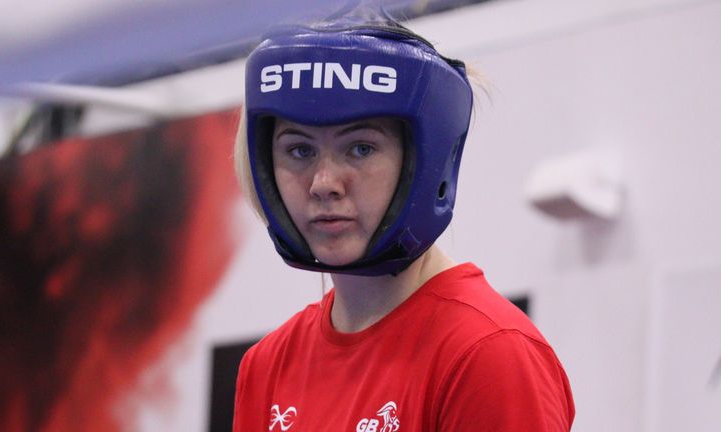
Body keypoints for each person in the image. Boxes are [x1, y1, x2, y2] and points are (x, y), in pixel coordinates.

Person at [232, 7, 575, 431]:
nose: (324, 184)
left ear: (422, 159)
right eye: (299, 150)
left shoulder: (487, 352)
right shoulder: (267, 366)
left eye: (360, 148)